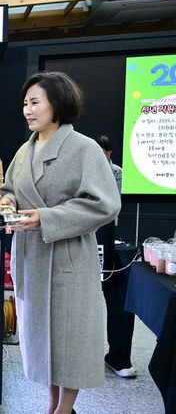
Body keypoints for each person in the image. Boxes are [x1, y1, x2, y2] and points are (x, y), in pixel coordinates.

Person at [0, 72, 121, 414]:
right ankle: (52, 405)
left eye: (35, 102)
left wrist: (46, 217)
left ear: (57, 103)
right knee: (42, 339)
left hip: (68, 257)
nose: (27, 110)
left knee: (70, 340)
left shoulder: (84, 148)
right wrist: (6, 202)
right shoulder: (25, 150)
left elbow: (105, 204)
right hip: (31, 256)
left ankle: (64, 409)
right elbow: (10, 189)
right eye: (25, 103)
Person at [94, 135, 136, 379]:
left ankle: (118, 357)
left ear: (109, 153)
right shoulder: (82, 168)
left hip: (108, 232)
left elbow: (112, 204)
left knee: (117, 295)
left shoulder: (117, 172)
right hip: (82, 235)